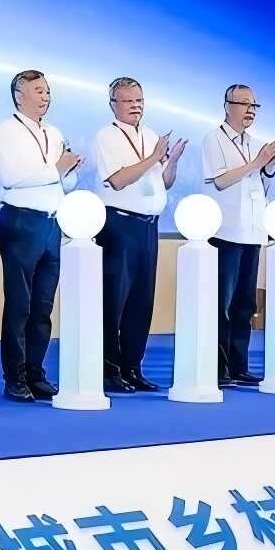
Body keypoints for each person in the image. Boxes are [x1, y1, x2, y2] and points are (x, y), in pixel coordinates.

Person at [0, 70, 81, 401]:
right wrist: (56, 168)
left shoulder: (53, 133)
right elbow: (11, 176)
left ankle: (35, 372)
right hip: (20, 221)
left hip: (51, 222)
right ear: (19, 96)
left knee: (43, 304)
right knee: (20, 303)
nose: (46, 97)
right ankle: (14, 376)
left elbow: (62, 183)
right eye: (39, 91)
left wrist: (69, 170)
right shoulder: (6, 130)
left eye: (47, 91)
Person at [91, 78, 184, 393]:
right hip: (119, 224)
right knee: (114, 298)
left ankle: (133, 367)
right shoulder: (106, 136)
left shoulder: (151, 135)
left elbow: (163, 182)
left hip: (148, 225)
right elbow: (118, 180)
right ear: (113, 104)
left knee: (142, 300)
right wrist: (153, 157)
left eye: (139, 100)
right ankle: (109, 369)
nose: (135, 106)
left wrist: (171, 161)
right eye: (128, 100)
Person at [201, 83, 275, 387]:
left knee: (245, 303)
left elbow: (260, 185)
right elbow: (221, 180)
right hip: (226, 231)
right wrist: (257, 163)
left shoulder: (254, 143)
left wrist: (268, 168)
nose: (250, 111)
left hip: (252, 232)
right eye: (244, 104)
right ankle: (218, 367)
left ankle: (239, 365)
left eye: (254, 106)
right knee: (222, 303)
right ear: (227, 106)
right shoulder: (214, 138)